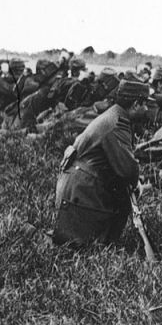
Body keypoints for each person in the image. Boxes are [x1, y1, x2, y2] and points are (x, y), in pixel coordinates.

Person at [53, 80, 144, 247]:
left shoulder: (111, 115)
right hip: (82, 196)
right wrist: (139, 183)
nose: (146, 110)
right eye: (145, 105)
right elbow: (128, 171)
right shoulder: (117, 123)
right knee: (81, 247)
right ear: (137, 104)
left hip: (74, 191)